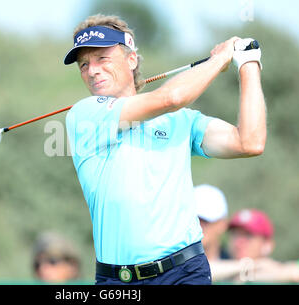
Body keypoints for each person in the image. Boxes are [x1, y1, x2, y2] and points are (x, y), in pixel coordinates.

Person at [64, 14, 266, 285]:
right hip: (118, 280)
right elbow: (172, 97)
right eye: (84, 64)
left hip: (184, 272)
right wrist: (220, 59)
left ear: (131, 59)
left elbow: (249, 142)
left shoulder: (181, 120)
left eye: (102, 58)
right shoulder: (84, 115)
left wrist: (248, 63)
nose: (92, 70)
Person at [211, 209, 299, 284]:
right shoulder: (220, 263)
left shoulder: (283, 271)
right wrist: (251, 266)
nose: (239, 241)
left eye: (248, 236)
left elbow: (297, 273)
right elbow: (206, 270)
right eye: (235, 235)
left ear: (267, 245)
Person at [194, 184, 231, 260]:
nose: (197, 227)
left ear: (222, 224)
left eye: (204, 221)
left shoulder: (238, 266)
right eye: (193, 221)